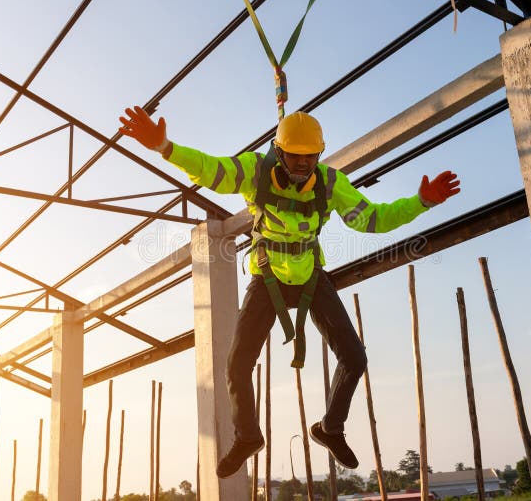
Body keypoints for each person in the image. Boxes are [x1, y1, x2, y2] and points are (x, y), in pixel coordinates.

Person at [118, 106, 460, 478]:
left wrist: (421, 202)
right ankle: (247, 436)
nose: (302, 163)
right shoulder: (255, 171)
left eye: (310, 156)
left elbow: (372, 219)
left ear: (319, 153)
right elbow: (214, 171)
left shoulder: (330, 183)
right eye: (295, 155)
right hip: (268, 278)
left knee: (355, 358)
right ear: (279, 152)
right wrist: (166, 147)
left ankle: (330, 429)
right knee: (236, 364)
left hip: (312, 275)